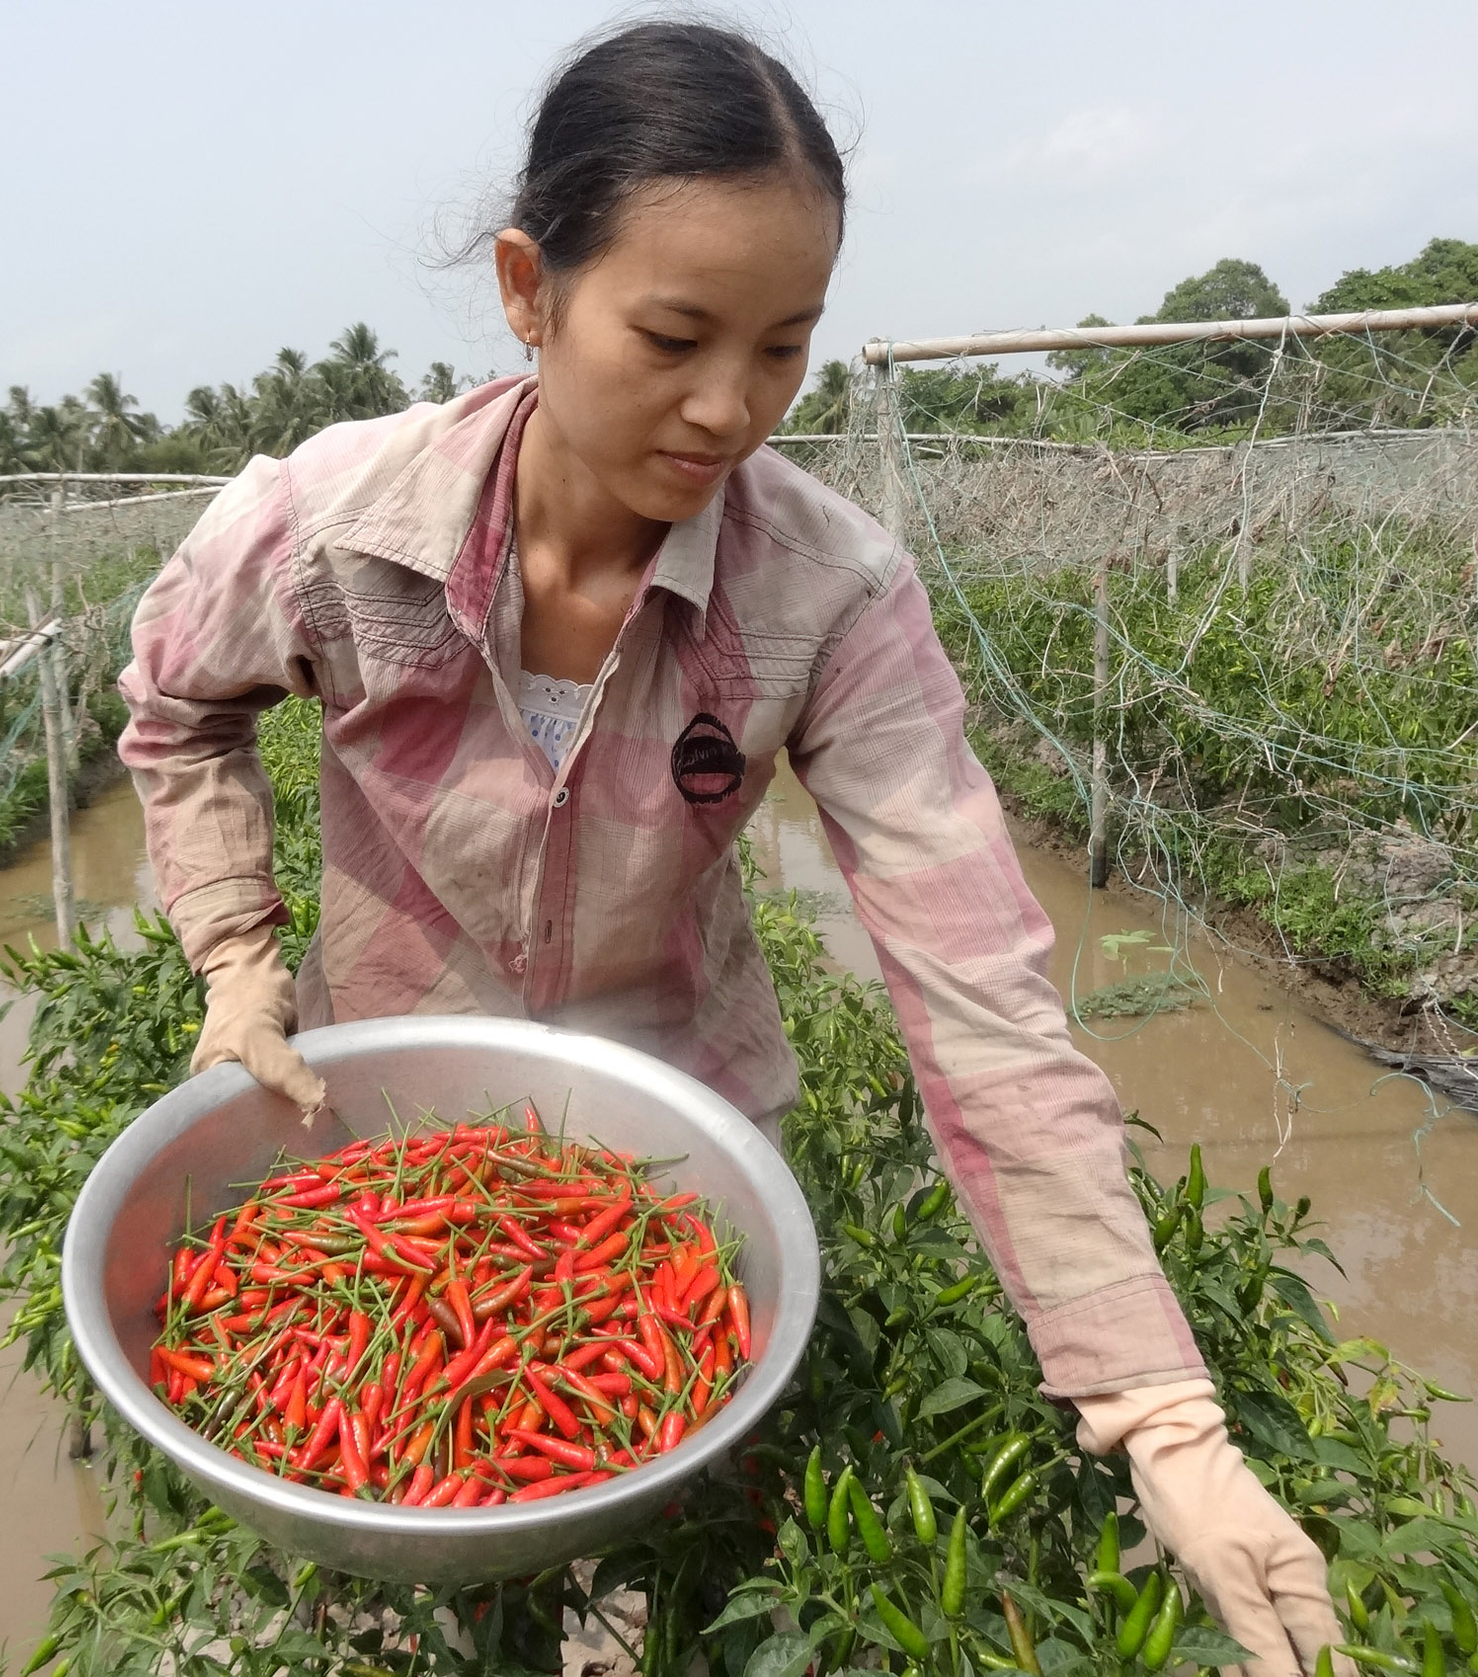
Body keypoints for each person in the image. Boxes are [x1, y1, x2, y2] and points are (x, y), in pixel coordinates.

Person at [119, 20, 1346, 1675]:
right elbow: (173, 703)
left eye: (786, 347)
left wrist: (1157, 1403)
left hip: (677, 1158)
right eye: (676, 334)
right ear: (528, 290)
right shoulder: (332, 526)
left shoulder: (825, 595)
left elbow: (979, 978)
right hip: (388, 1123)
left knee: (681, 1535)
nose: (728, 409)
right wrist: (236, 959)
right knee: (418, 1525)